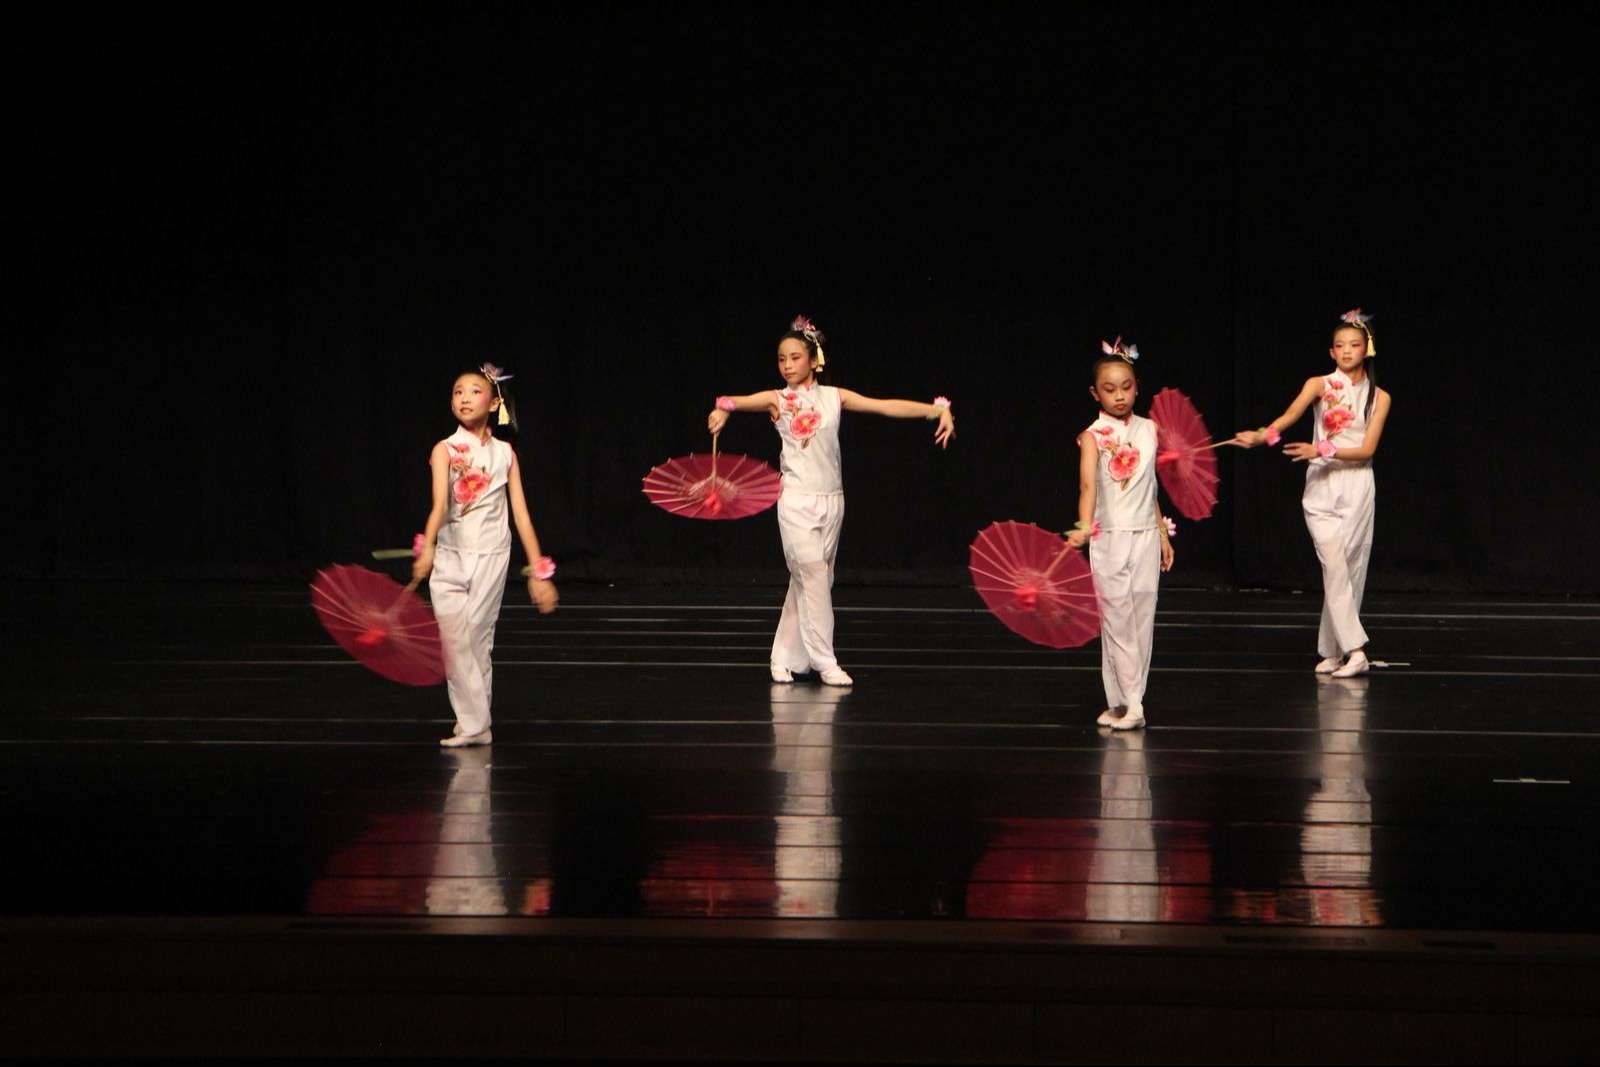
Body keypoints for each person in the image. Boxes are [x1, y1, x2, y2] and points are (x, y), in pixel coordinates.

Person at [707, 315, 955, 686]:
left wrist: (937, 409)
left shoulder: (834, 397)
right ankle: (826, 661)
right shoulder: (779, 400)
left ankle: (782, 658)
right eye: (781, 359)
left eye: (795, 358)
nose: (787, 365)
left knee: (811, 582)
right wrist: (722, 410)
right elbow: (732, 400)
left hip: (832, 500)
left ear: (813, 359)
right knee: (813, 576)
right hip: (795, 500)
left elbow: (883, 406)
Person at [1235, 310, 1392, 677]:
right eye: (1340, 345)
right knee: (1334, 566)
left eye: (1354, 344)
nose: (1347, 351)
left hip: (1357, 484)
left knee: (1349, 571)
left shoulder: (1379, 397)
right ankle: (1357, 651)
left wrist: (1321, 448)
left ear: (1367, 349)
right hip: (1322, 484)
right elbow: (1289, 416)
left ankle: (1333, 651)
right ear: (1331, 352)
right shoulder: (1319, 384)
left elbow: (1367, 449)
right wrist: (1262, 436)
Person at [412, 363, 558, 746]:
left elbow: (521, 514)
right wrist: (428, 545)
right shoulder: (444, 449)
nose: (464, 398)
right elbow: (440, 504)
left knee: (477, 636)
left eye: (475, 391)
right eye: (458, 391)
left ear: (494, 403)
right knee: (453, 641)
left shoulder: (505, 454)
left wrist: (539, 572)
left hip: (492, 553)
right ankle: (476, 724)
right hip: (451, 555)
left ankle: (475, 725)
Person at [1065, 338, 1175, 731]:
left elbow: (1151, 488)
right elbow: (1087, 487)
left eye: (1126, 387)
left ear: (1137, 387)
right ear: (1095, 393)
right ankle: (1131, 704)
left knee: (1142, 620)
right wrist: (1083, 524)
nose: (1119, 396)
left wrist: (1162, 533)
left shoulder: (1150, 429)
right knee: (1116, 620)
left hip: (1144, 536)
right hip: (1110, 537)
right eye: (1109, 389)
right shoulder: (1092, 436)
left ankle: (1124, 701)